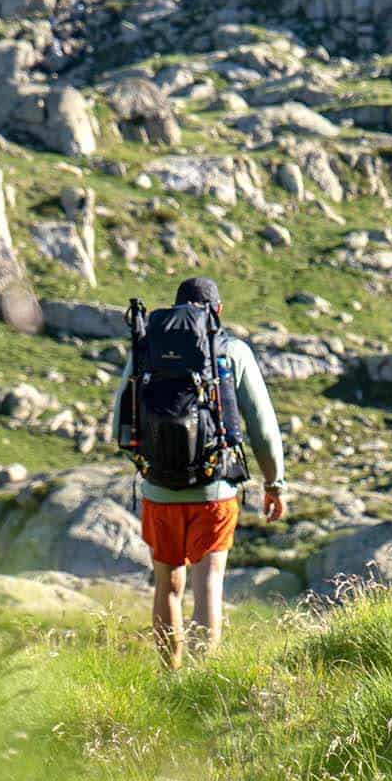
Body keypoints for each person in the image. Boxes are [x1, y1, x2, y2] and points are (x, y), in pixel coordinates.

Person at [111, 277, 285, 670]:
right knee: (209, 586)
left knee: (167, 587)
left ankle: (169, 675)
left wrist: (154, 465)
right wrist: (274, 484)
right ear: (217, 312)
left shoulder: (146, 348)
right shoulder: (232, 350)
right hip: (215, 490)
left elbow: (119, 425)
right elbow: (262, 427)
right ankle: (202, 677)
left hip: (159, 491)